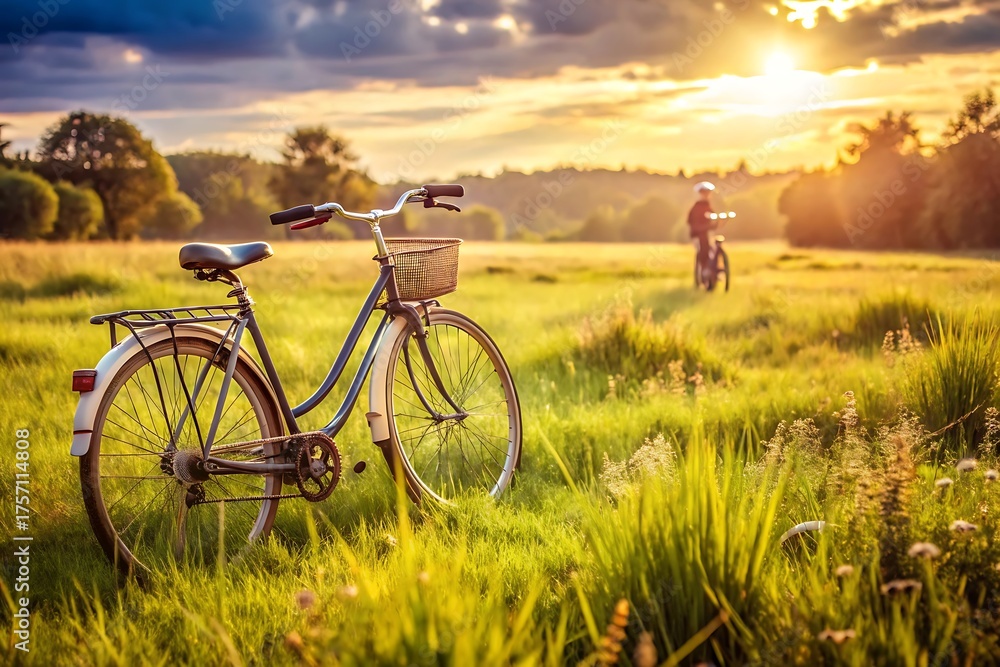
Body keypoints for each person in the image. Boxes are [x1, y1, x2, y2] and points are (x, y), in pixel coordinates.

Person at [688, 182, 716, 283]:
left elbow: (712, 216)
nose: (707, 195)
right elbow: (692, 221)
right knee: (703, 247)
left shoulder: (708, 206)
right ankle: (704, 268)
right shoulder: (696, 207)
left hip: (706, 232)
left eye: (708, 193)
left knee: (713, 246)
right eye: (704, 193)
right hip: (698, 234)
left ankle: (715, 267)